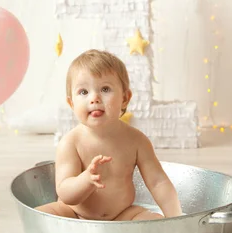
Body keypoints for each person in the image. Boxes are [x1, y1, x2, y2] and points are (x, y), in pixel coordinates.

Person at [36, 49, 182, 221]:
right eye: (83, 92)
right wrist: (86, 180)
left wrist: (175, 219)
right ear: (71, 103)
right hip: (74, 215)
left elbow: (158, 182)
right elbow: (66, 193)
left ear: (125, 98)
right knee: (42, 215)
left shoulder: (136, 141)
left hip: (121, 215)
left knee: (152, 220)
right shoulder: (70, 143)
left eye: (105, 89)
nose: (94, 98)